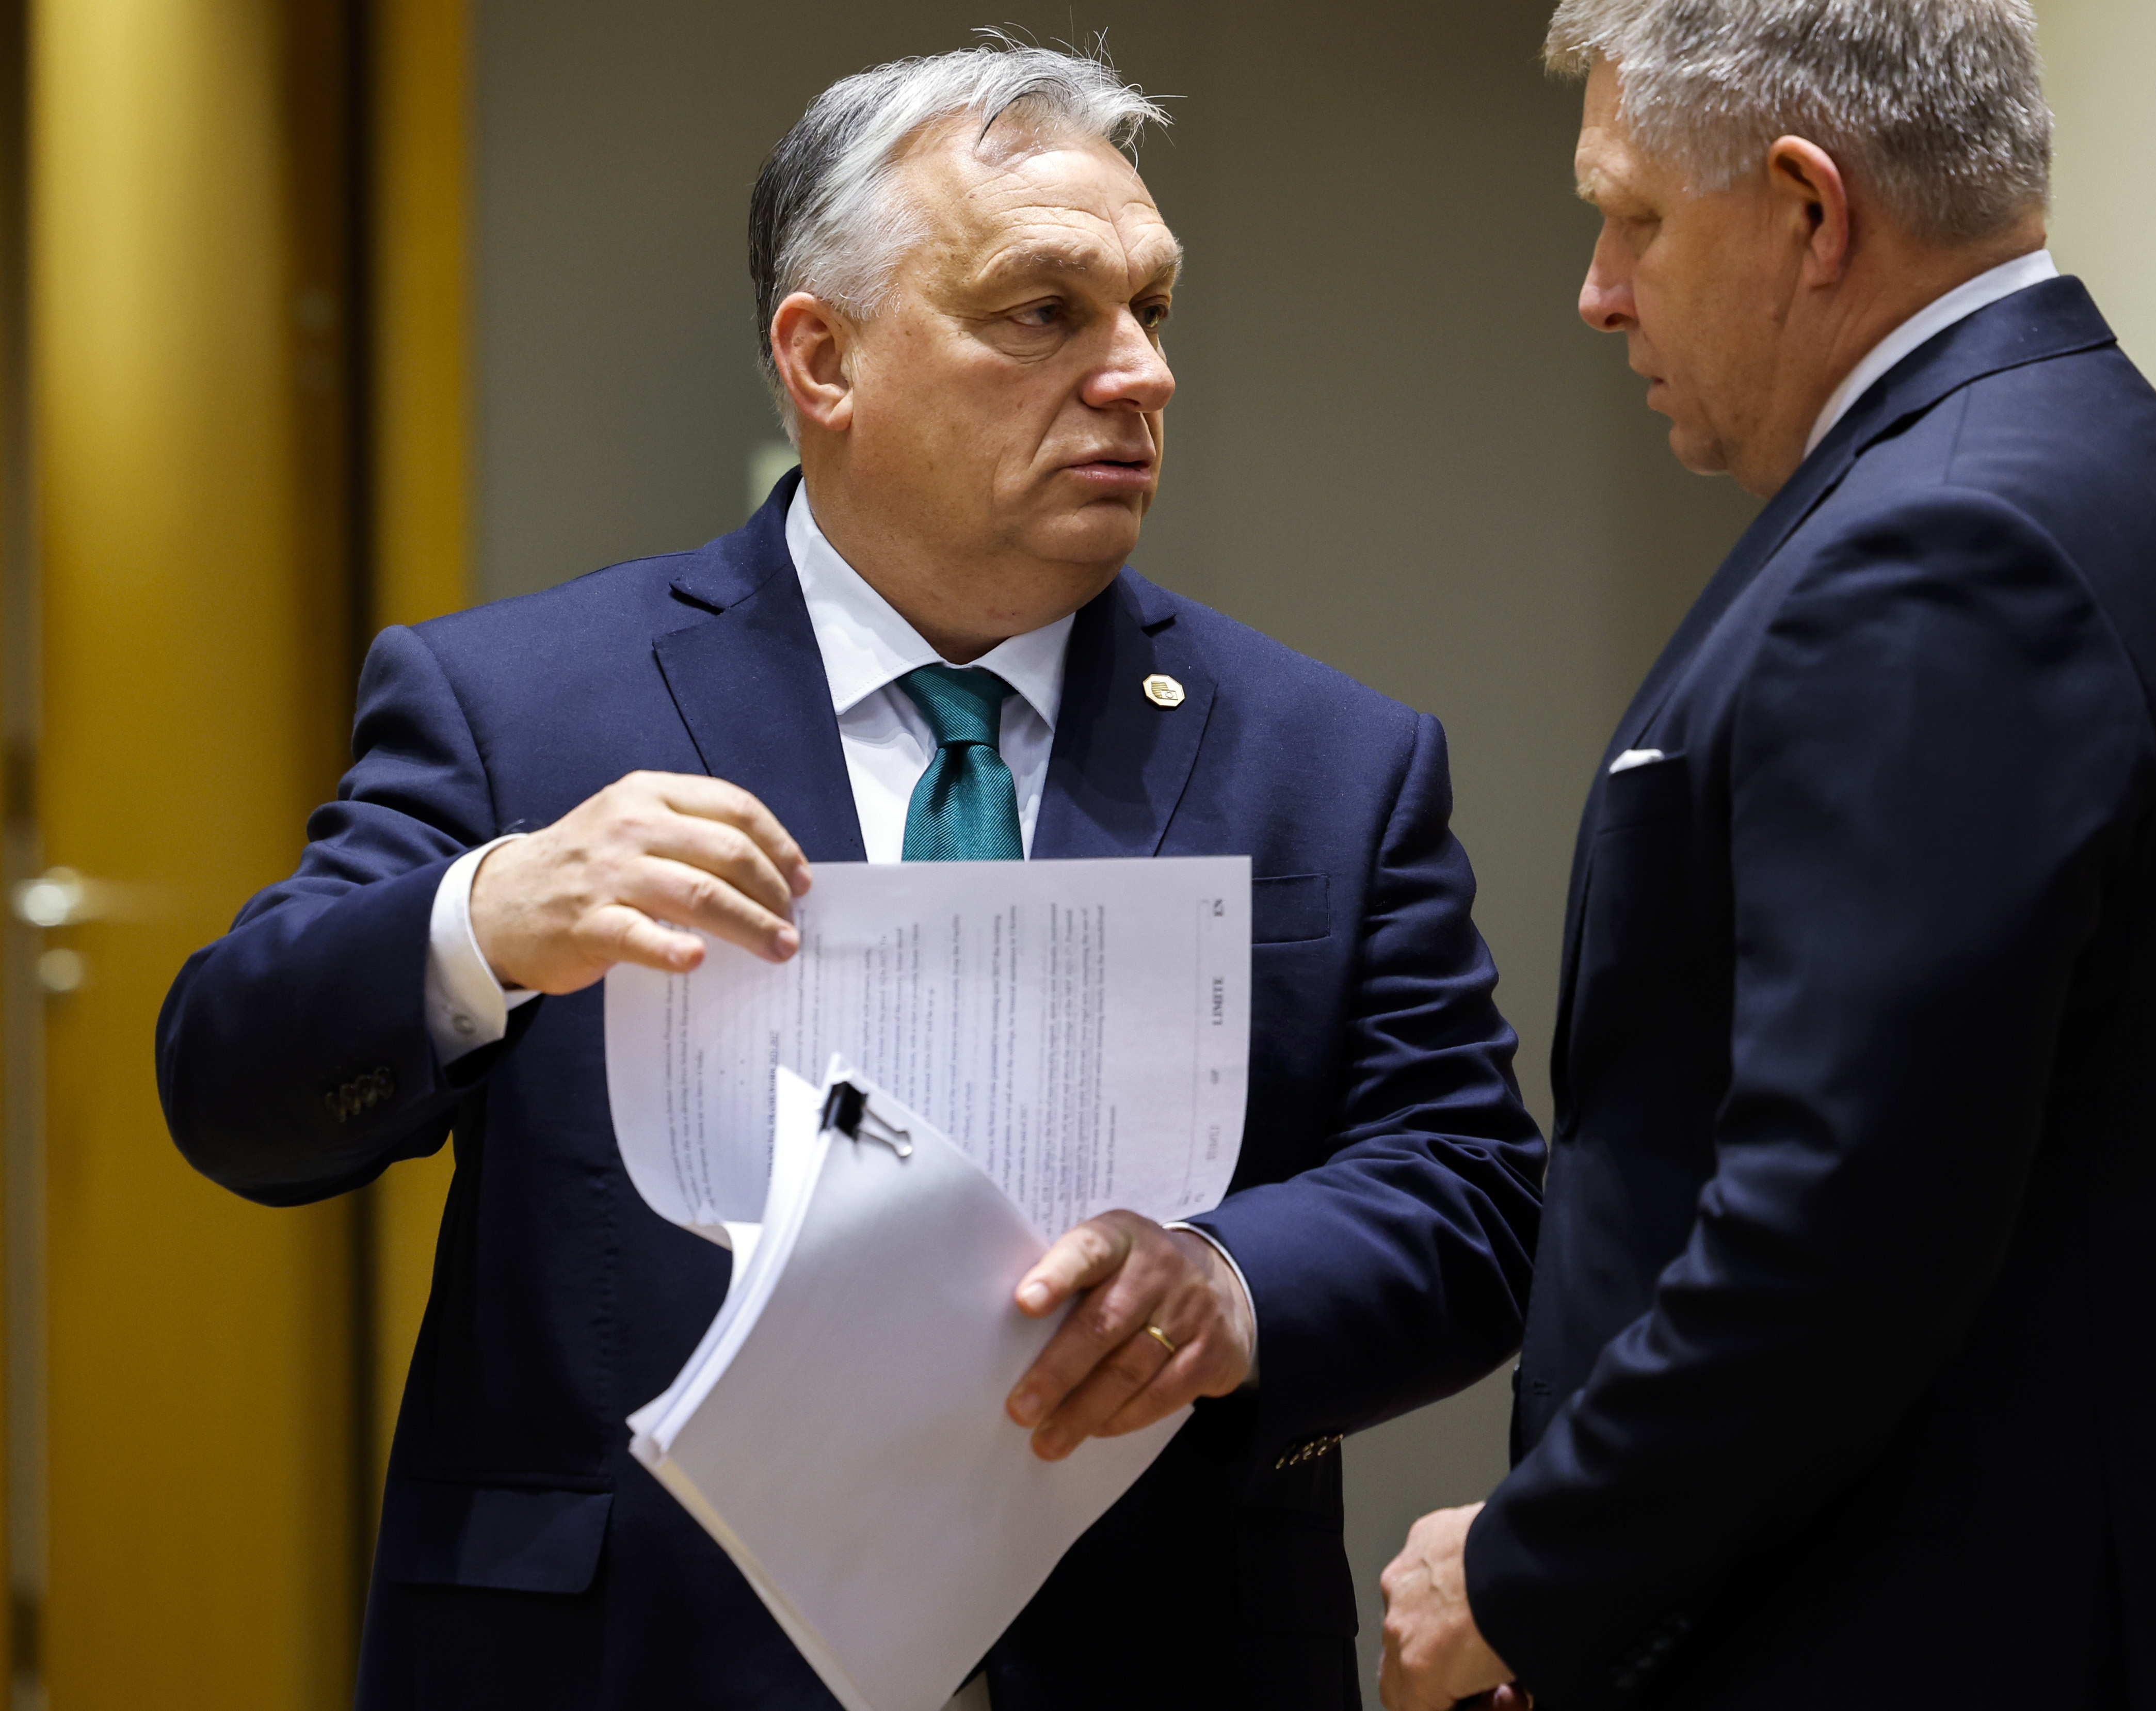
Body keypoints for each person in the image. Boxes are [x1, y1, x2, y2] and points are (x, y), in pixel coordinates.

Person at [157, 43, 1544, 1711]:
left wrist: (1235, 1285)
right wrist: (487, 921)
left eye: (1150, 310)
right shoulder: (517, 707)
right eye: (1044, 312)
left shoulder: (1331, 757)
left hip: (1151, 1649)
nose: (1138, 373)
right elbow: (233, 1088)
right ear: (823, 358)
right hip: (625, 1656)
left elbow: (1469, 1188)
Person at [1378, 2, 2156, 1707]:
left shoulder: (1944, 549)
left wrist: (1528, 1576)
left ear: (1809, 211)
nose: (1600, 289)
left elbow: (1840, 1228)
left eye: (1634, 216)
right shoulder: (2065, 461)